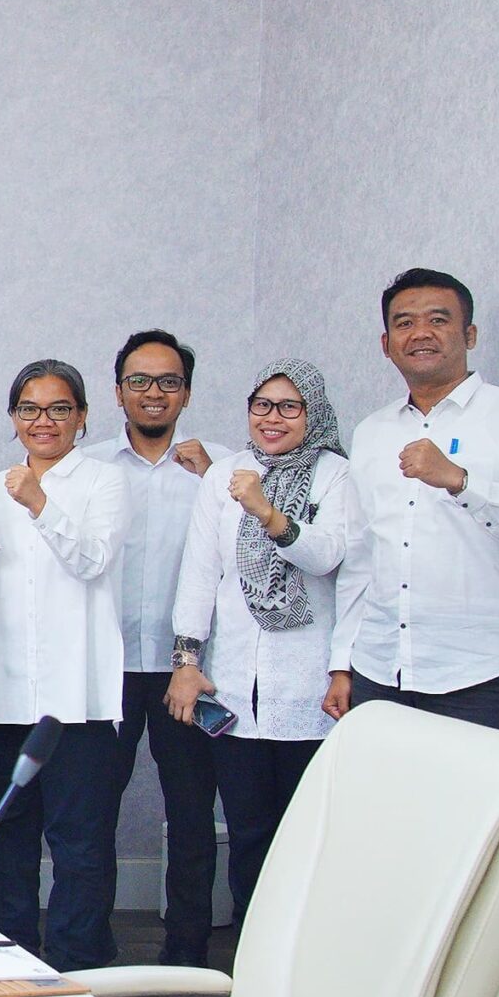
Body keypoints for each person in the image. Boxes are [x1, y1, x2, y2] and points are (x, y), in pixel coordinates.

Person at [168, 359, 365, 935]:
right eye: (262, 405)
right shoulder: (225, 475)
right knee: (248, 832)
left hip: (310, 685)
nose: (272, 418)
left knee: (307, 836)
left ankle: (304, 956)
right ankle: (252, 952)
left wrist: (267, 512)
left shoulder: (337, 475)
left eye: (289, 407)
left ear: (313, 413)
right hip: (236, 687)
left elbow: (328, 558)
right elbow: (200, 574)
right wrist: (186, 662)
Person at [332, 269, 499, 731]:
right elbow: (361, 556)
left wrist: (461, 482)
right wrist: (342, 662)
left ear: (470, 335)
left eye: (438, 320)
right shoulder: (371, 431)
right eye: (404, 323)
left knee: (474, 784)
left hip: (479, 674)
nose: (420, 332)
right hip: (379, 669)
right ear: (386, 344)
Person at [0, 360, 128, 971]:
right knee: (8, 839)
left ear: (82, 416)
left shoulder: (105, 482)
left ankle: (76, 965)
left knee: (79, 845)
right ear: (14, 417)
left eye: (59, 409)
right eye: (30, 409)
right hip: (3, 694)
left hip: (79, 697)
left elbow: (92, 561)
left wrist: (39, 503)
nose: (44, 421)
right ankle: (13, 962)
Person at [80, 329, 226, 966]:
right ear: (118, 393)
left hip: (185, 670)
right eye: (138, 380)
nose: (153, 392)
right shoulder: (88, 469)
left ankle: (188, 949)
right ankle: (90, 944)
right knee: (93, 811)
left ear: (186, 393)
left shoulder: (219, 469)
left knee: (191, 811)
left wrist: (218, 478)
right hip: (105, 665)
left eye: (169, 381)